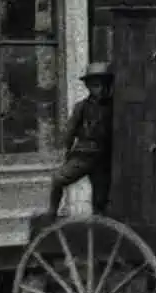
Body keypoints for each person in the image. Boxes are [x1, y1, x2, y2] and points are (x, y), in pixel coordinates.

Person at [47, 64, 114, 217]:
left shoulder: (114, 107)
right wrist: (66, 149)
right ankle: (51, 213)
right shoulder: (81, 107)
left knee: (100, 200)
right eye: (94, 85)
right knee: (58, 179)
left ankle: (100, 228)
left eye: (102, 85)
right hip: (83, 155)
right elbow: (69, 131)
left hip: (103, 158)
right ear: (88, 86)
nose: (99, 89)